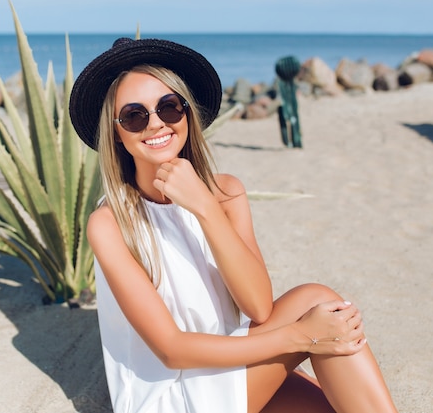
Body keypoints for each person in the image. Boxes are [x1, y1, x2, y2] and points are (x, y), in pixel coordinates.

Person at [69, 37, 398, 413]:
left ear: (187, 113)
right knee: (316, 300)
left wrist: (206, 207)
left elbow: (257, 308)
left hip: (228, 365)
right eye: (134, 115)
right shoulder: (110, 224)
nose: (156, 123)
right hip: (171, 396)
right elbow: (173, 350)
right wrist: (301, 336)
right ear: (116, 132)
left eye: (169, 107)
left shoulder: (225, 192)